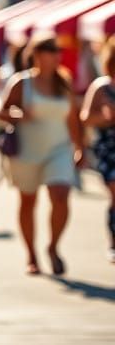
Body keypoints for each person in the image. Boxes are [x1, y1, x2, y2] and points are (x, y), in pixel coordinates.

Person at [0, 32, 84, 276]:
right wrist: (19, 115)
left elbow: (73, 118)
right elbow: (1, 112)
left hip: (59, 150)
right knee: (28, 202)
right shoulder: (21, 82)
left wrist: (80, 147)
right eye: (52, 50)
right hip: (26, 152)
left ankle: (53, 247)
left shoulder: (63, 82)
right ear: (37, 55)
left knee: (61, 194)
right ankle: (32, 256)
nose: (58, 55)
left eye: (58, 51)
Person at [79, 36, 115, 262]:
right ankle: (114, 241)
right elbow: (85, 117)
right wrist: (104, 118)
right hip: (108, 148)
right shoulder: (102, 86)